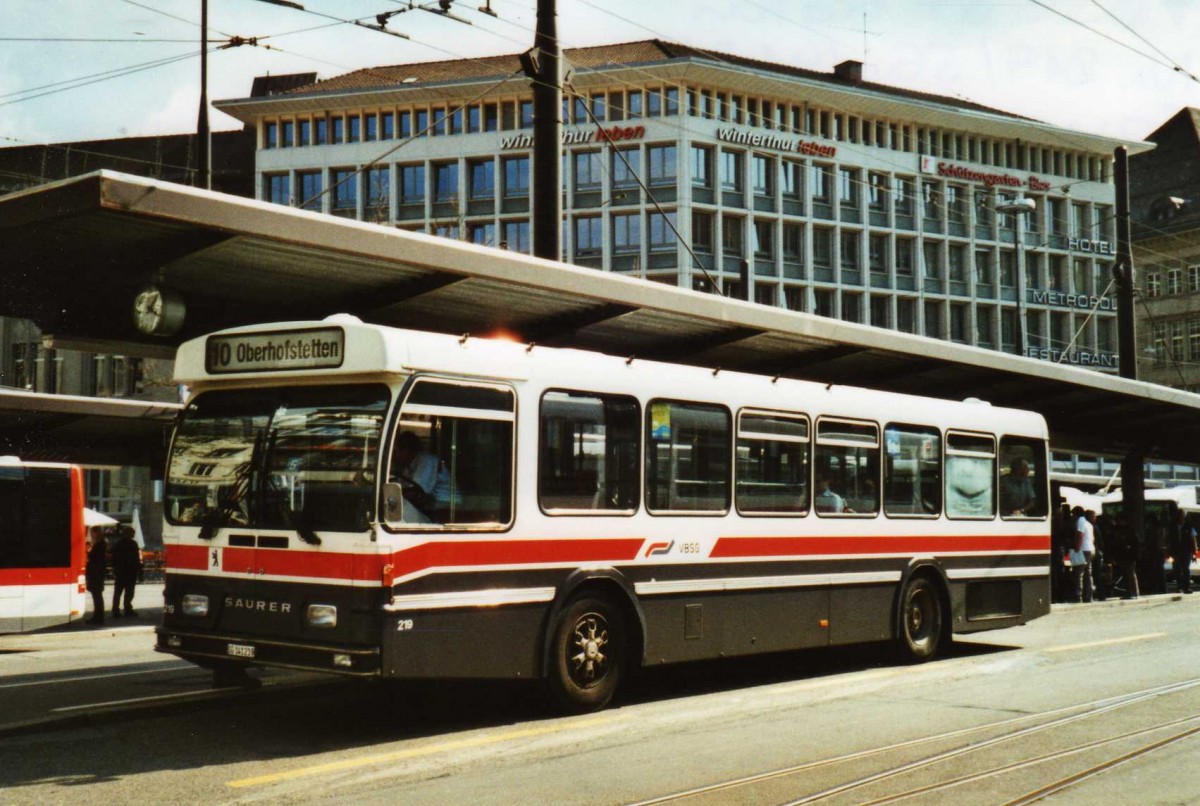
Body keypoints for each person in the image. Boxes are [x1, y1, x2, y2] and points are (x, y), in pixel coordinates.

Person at [390, 431, 457, 523]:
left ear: (407, 449)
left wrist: (392, 497)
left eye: (396, 451)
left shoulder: (427, 461)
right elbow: (402, 486)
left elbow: (416, 491)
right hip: (430, 505)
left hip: (447, 507)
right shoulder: (409, 465)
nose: (394, 456)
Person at [111, 525, 142, 618]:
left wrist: (115, 569)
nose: (133, 535)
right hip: (129, 572)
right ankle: (127, 609)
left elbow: (114, 558)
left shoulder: (119, 544)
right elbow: (136, 559)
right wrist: (138, 570)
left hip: (122, 572)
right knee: (128, 593)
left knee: (118, 593)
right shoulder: (133, 544)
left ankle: (116, 610)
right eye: (132, 533)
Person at [1110, 512, 1141, 599]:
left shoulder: (1129, 531)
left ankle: (1134, 592)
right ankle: (1129, 592)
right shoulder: (1116, 530)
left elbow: (1135, 543)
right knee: (1125, 574)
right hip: (1121, 554)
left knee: (1130, 573)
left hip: (1129, 555)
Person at [1071, 506, 1095, 603]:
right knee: (1088, 574)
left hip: (1083, 549)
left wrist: (1077, 547)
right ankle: (1089, 597)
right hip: (1090, 549)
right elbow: (1093, 538)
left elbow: (1080, 535)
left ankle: (1078, 596)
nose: (1072, 517)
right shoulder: (1088, 523)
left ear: (1076, 514)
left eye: (1073, 514)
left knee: (1079, 573)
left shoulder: (1080, 521)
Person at [85, 528, 108, 625]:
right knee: (97, 596)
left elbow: (95, 557)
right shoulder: (100, 543)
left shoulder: (100, 544)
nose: (91, 535)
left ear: (96, 533)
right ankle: (98, 616)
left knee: (97, 595)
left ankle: (98, 617)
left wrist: (89, 552)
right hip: (97, 572)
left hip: (96, 573)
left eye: (92, 533)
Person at [1171, 510, 1196, 594]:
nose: (1181, 517)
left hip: (1187, 551)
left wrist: (1194, 552)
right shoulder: (1173, 526)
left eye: (1182, 515)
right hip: (1176, 551)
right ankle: (1179, 586)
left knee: (1186, 569)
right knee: (1177, 569)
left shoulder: (1189, 526)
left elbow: (1193, 539)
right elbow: (1169, 539)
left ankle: (1187, 587)